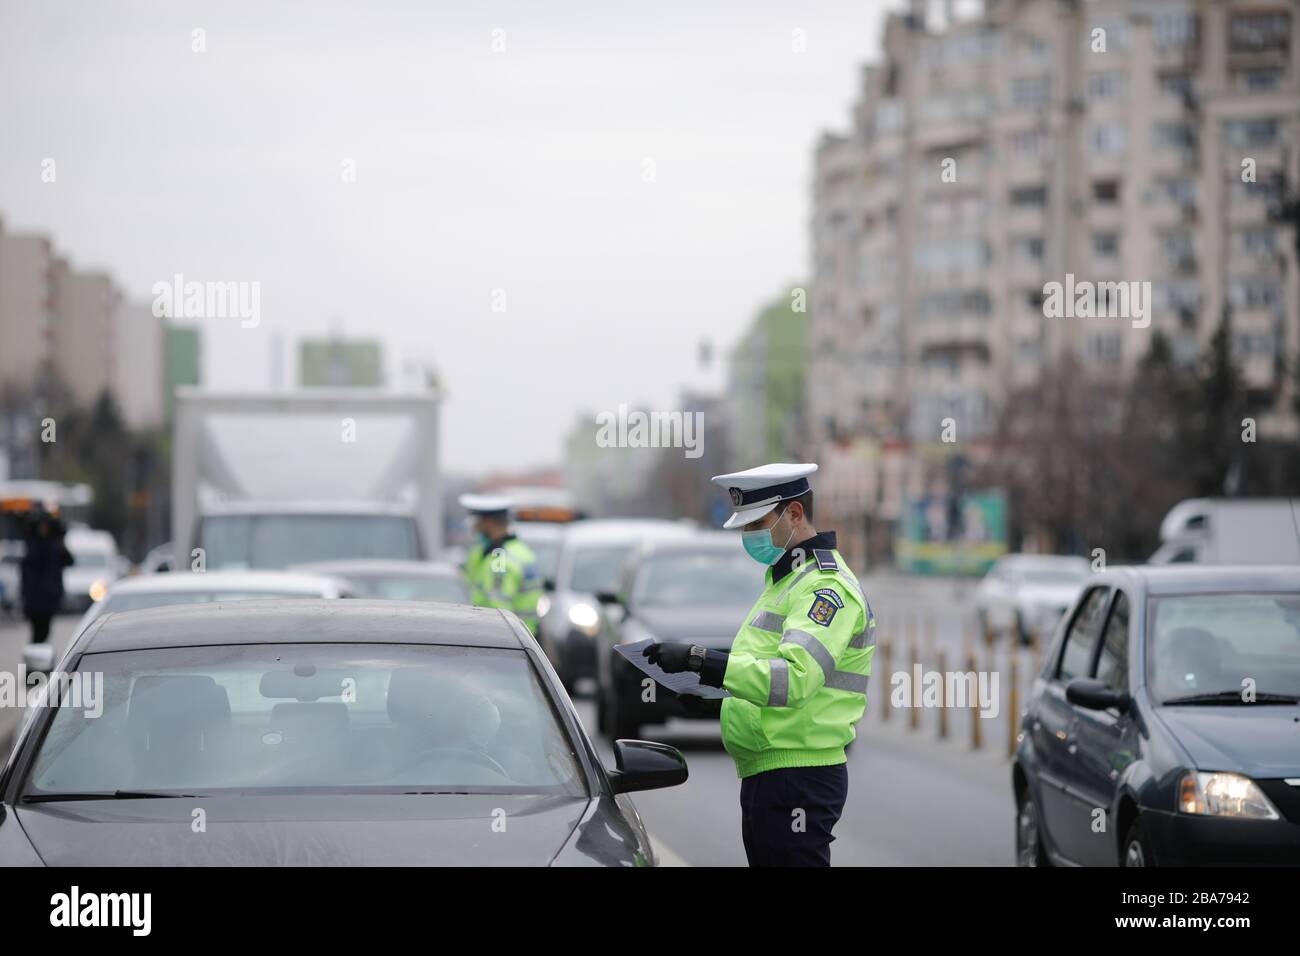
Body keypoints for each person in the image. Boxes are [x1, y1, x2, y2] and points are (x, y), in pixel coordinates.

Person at [643, 462, 874, 866]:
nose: (749, 536)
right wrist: (717, 701)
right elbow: (765, 668)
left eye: (757, 524)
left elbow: (796, 679)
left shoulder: (825, 588)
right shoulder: (785, 580)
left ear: (795, 514)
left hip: (799, 774)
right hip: (773, 770)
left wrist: (703, 661)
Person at [457, 494, 542, 636]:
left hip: (507, 638)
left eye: (478, 522)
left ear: (489, 522)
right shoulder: (520, 550)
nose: (475, 528)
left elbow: (498, 609)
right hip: (522, 636)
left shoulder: (499, 558)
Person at [20, 510, 74, 644]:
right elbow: (27, 569)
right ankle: (36, 658)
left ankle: (39, 656)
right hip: (34, 597)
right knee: (37, 632)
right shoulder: (32, 544)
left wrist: (61, 543)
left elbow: (69, 561)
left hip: (49, 596)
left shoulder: (55, 545)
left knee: (45, 630)